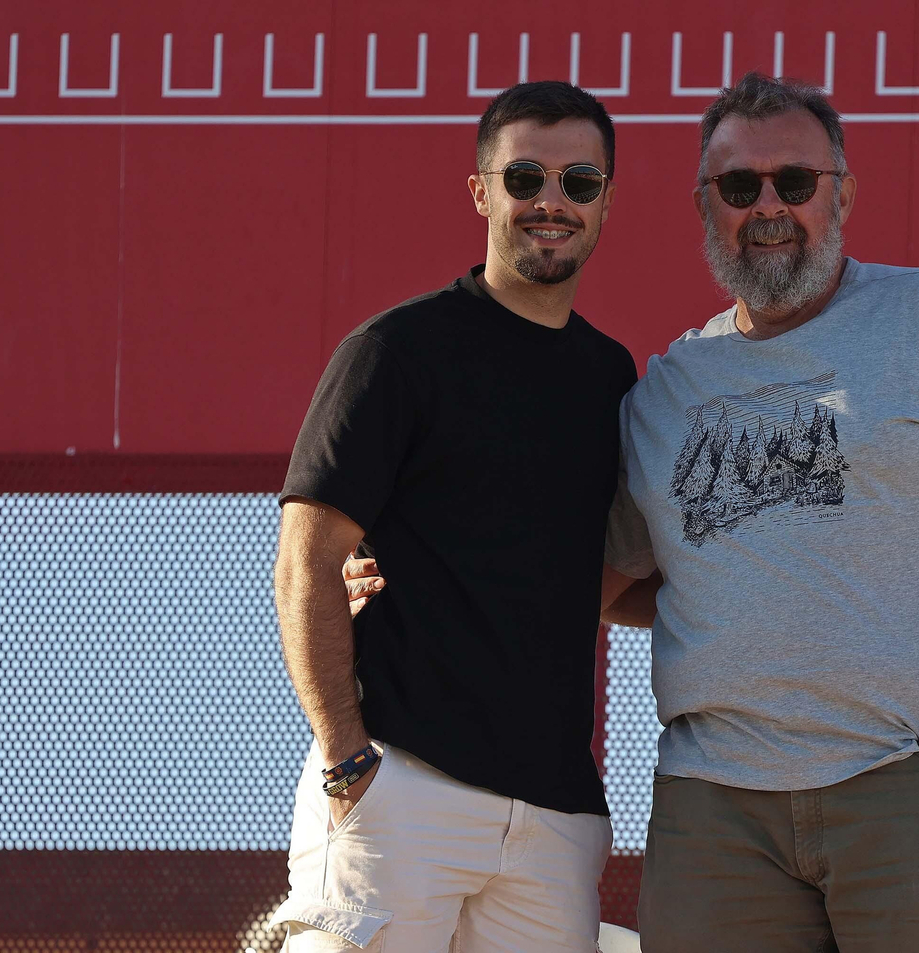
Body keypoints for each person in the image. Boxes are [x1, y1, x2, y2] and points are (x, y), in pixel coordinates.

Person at [347, 73, 919, 952]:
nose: (768, 206)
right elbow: (591, 582)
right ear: (707, 206)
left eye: (795, 182)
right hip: (715, 814)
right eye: (740, 187)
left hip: (915, 784)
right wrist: (402, 578)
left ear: (842, 192)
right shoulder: (666, 389)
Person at [270, 80, 636, 952]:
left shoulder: (613, 379)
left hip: (555, 820)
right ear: (482, 192)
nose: (552, 201)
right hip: (398, 790)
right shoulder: (395, 352)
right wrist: (347, 757)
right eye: (526, 178)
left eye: (579, 182)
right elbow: (305, 564)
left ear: (605, 203)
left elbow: (612, 578)